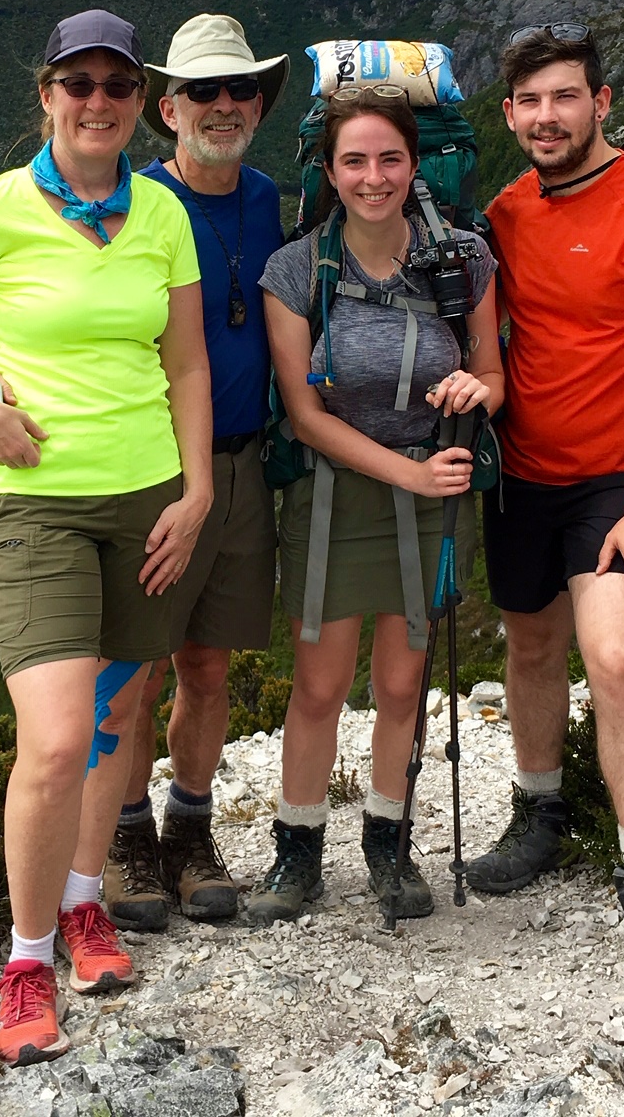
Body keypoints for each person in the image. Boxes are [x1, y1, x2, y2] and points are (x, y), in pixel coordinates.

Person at [0, 9, 213, 1065]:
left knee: (121, 715)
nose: (97, 103)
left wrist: (199, 489)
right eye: (77, 84)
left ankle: (87, 904)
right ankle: (28, 960)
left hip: (150, 503)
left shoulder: (162, 213)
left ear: (138, 103)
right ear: (46, 94)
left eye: (116, 87)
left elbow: (187, 368)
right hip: (31, 503)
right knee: (56, 740)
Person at [465, 22, 624, 987]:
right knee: (529, 644)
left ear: (603, 103)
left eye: (565, 97)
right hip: (524, 470)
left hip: (620, 480)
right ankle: (540, 814)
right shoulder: (505, 212)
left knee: (616, 655)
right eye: (529, 102)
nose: (546, 117)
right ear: (509, 114)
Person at [244, 95, 503, 925]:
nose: (373, 178)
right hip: (332, 496)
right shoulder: (297, 271)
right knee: (319, 687)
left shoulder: (463, 262)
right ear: (329, 172)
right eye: (354, 162)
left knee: (402, 684)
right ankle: (298, 851)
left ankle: (388, 846)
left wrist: (477, 390)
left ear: (414, 164)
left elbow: (494, 374)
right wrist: (408, 472)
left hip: (434, 487)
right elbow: (305, 412)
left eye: (389, 159)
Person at [95, 15, 288, 932]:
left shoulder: (267, 198)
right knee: (134, 669)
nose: (222, 105)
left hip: (245, 463)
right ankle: (127, 838)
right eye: (202, 92)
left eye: (239, 89)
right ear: (167, 108)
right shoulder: (130, 204)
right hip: (155, 469)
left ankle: (189, 831)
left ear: (259, 104)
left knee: (205, 665)